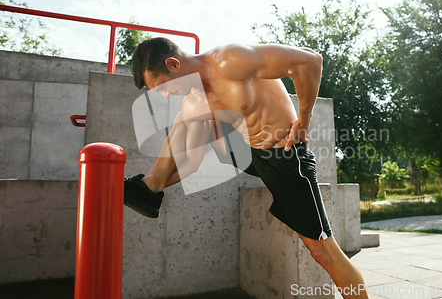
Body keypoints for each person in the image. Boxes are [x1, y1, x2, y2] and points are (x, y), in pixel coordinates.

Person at [125, 37, 369, 298]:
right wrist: (161, 182)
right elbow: (191, 164)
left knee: (323, 251)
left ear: (173, 64)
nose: (164, 94)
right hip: (248, 155)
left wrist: (304, 119)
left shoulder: (229, 60)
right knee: (185, 116)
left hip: (283, 155)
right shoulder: (195, 100)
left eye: (162, 86)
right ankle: (151, 185)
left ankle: (151, 185)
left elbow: (310, 60)